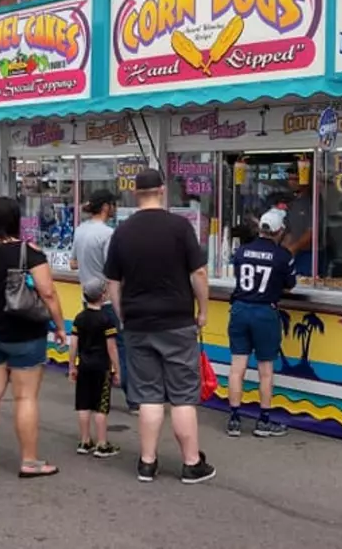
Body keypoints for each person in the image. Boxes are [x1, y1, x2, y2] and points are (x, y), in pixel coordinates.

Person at [104, 168, 216, 485]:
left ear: (136, 193)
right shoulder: (179, 227)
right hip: (178, 321)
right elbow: (199, 275)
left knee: (149, 396)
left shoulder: (122, 232)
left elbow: (113, 281)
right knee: (182, 396)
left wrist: (122, 314)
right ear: (163, 190)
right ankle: (192, 463)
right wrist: (203, 310)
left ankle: (147, 462)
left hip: (139, 323)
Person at [0, 197, 67, 478]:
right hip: (25, 334)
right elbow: (48, 293)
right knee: (25, 398)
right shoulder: (29, 253)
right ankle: (29, 462)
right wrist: (60, 327)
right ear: (16, 219)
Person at [227, 209, 296, 439]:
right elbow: (289, 285)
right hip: (265, 312)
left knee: (238, 367)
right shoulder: (282, 256)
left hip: (239, 309)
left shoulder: (242, 251)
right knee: (265, 370)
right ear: (279, 230)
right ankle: (263, 421)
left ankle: (234, 420)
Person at [69, 188, 137, 412]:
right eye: (113, 205)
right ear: (106, 207)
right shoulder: (108, 234)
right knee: (121, 347)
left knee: (90, 349)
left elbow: (73, 263)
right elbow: (113, 270)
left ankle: (91, 396)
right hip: (107, 301)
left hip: (86, 300)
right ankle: (133, 399)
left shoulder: (80, 230)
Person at [68, 278, 121, 459]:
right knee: (101, 407)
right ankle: (102, 443)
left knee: (83, 404)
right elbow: (111, 348)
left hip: (83, 366)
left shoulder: (79, 318)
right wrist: (117, 369)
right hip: (101, 367)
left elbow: (73, 344)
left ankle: (84, 441)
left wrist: (71, 366)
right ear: (103, 295)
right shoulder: (107, 320)